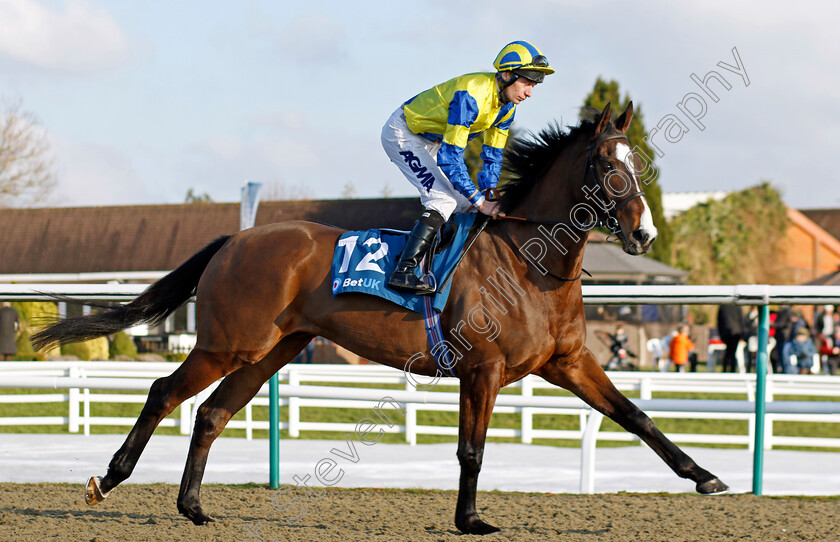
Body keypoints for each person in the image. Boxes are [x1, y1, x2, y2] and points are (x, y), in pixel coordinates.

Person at [382, 41, 554, 293]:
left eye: (534, 85)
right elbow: (451, 158)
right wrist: (480, 199)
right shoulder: (471, 95)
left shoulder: (506, 108)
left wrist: (489, 196)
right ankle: (403, 270)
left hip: (432, 142)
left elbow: (492, 157)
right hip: (403, 134)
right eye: (527, 83)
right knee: (443, 201)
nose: (529, 93)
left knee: (467, 204)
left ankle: (441, 266)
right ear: (507, 75)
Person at [717, 304, 744, 373]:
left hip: (727, 331)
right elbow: (741, 319)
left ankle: (727, 369)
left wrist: (721, 333)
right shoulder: (737, 305)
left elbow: (719, 320)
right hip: (735, 331)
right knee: (731, 352)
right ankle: (731, 370)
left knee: (729, 352)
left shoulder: (723, 306)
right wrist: (742, 333)